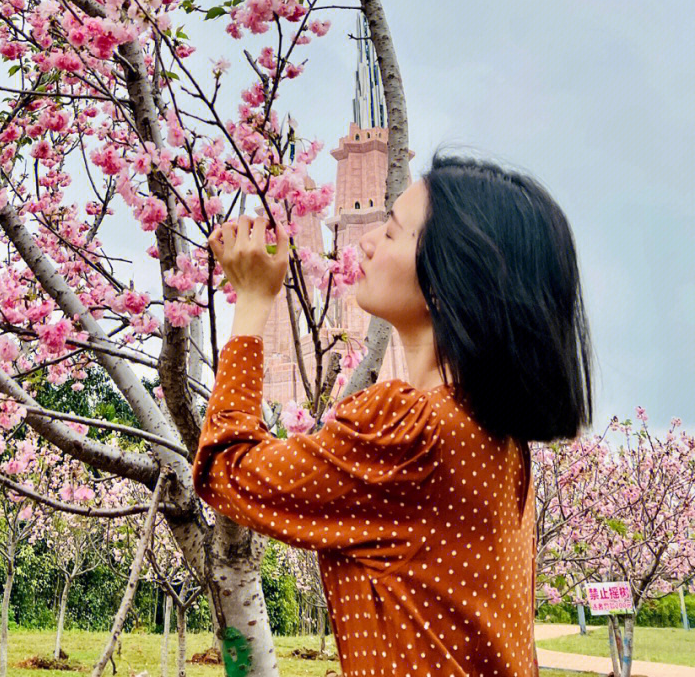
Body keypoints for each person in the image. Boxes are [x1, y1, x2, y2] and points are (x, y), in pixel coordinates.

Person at [191, 152, 594, 677]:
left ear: (453, 277)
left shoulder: (411, 430)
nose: (366, 240)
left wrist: (250, 305)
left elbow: (226, 469)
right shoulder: (494, 435)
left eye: (395, 230)